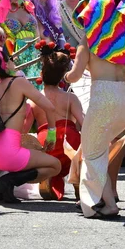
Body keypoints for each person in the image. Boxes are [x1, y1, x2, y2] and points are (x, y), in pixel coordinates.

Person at [65, 0, 125, 219]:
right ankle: (103, 198)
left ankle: (107, 203)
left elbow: (74, 76)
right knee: (99, 151)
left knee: (93, 153)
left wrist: (65, 75)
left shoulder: (87, 42)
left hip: (103, 98)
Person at [0, 50, 61, 203]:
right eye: (11, 59)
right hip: (6, 151)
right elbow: (50, 107)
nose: (13, 61)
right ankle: (9, 181)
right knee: (55, 166)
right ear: (5, 64)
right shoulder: (18, 82)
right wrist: (52, 132)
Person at [32, 42, 83, 200]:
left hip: (46, 144)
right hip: (70, 143)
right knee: (80, 147)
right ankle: (77, 177)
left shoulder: (34, 99)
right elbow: (83, 121)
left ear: (42, 72)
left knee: (36, 142)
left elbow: (23, 129)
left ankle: (47, 174)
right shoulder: (70, 98)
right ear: (63, 75)